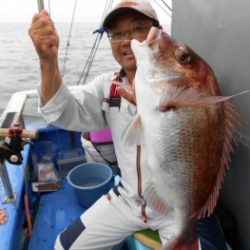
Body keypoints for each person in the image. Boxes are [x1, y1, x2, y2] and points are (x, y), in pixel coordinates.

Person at [29, 0, 228, 249]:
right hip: (128, 199)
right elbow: (60, 111)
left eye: (137, 29)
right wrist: (47, 61)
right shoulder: (108, 86)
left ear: (157, 29)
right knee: (63, 247)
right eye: (118, 33)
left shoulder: (188, 90)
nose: (127, 39)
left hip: (181, 208)